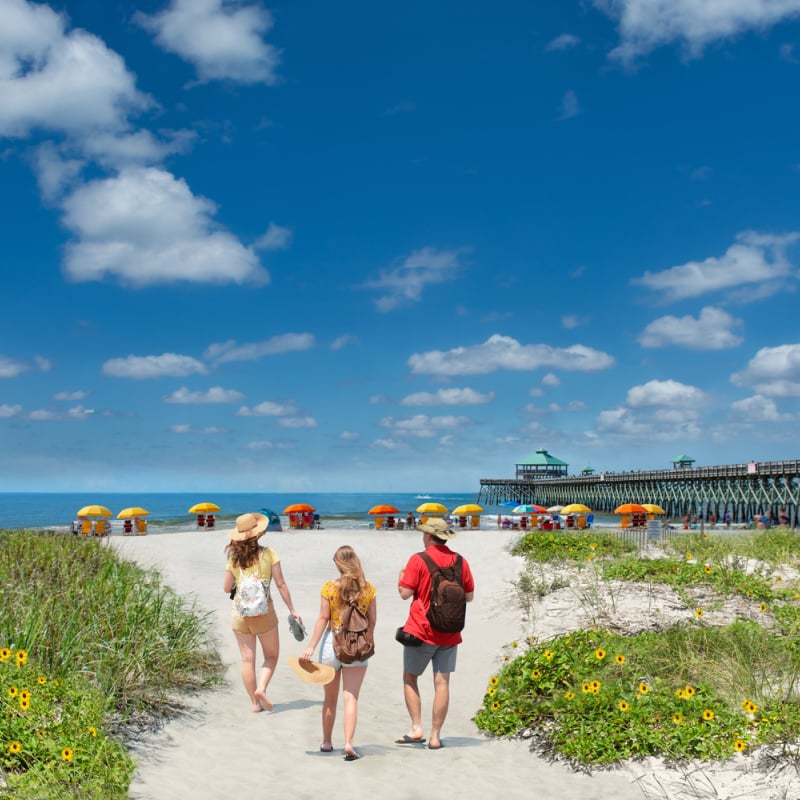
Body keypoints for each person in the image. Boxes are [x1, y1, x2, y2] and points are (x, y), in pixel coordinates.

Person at [396, 518, 475, 750]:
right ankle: (435, 736)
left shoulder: (418, 559)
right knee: (442, 683)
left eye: (424, 534)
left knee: (410, 678)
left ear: (429, 536)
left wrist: (400, 576)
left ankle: (416, 727)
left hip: (421, 630)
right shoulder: (461, 561)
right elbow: (469, 597)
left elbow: (404, 593)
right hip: (450, 632)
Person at [301, 545, 376, 761]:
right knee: (350, 698)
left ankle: (326, 742)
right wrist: (367, 641)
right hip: (358, 647)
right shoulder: (368, 589)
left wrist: (310, 647)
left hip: (330, 646)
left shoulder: (328, 588)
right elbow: (372, 621)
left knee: (329, 699)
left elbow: (323, 619)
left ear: (337, 564)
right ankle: (349, 744)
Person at [223, 512, 303, 713]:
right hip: (264, 612)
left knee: (247, 660)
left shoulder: (233, 558)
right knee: (271, 656)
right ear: (258, 533)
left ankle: (254, 704)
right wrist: (292, 609)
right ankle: (261, 688)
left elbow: (226, 588)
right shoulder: (268, 554)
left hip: (240, 614)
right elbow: (281, 584)